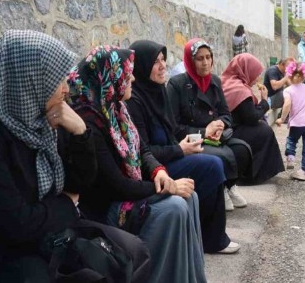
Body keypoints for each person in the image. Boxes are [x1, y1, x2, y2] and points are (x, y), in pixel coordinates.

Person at [0, 30, 151, 283]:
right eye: (56, 80)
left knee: (136, 252)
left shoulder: (46, 119)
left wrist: (80, 131)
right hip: (6, 251)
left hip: (54, 229)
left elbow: (81, 183)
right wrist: (67, 205)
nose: (66, 89)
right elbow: (16, 224)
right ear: (29, 80)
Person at [68, 45, 207, 283]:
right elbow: (116, 187)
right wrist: (164, 187)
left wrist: (158, 171)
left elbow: (141, 148)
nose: (131, 77)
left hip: (127, 193)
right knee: (173, 207)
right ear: (110, 77)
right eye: (125, 72)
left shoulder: (116, 108)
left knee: (189, 197)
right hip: (105, 208)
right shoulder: (89, 122)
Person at [127, 39, 240, 254]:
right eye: (155, 62)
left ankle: (208, 236)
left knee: (227, 154)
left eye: (163, 60)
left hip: (171, 154)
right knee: (213, 164)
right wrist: (182, 147)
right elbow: (143, 152)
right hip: (153, 170)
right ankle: (212, 239)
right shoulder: (136, 101)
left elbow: (172, 131)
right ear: (140, 66)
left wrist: (211, 129)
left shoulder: (158, 92)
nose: (162, 66)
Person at [167, 38, 252, 212]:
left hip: (216, 138)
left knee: (243, 150)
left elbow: (226, 113)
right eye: (199, 58)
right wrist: (204, 131)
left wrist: (220, 124)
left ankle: (229, 185)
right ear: (190, 61)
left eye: (208, 57)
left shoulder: (214, 81)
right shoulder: (177, 85)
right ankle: (219, 188)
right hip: (192, 141)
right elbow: (174, 127)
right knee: (218, 157)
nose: (206, 63)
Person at [221, 53, 285, 184]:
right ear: (245, 70)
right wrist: (264, 102)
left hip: (230, 127)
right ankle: (254, 174)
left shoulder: (228, 81)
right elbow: (252, 117)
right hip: (231, 131)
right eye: (255, 73)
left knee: (263, 127)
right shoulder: (239, 89)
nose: (257, 78)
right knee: (264, 131)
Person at [276, 61, 305, 181]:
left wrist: (282, 119)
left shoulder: (288, 90)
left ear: (289, 75)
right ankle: (304, 171)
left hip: (297, 123)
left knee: (292, 140)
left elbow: (287, 104)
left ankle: (290, 158)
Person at [263, 57, 294, 125]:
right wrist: (286, 78)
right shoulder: (273, 70)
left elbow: (291, 86)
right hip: (270, 99)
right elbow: (274, 86)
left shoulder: (283, 72)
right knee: (288, 94)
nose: (290, 69)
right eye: (288, 67)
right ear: (282, 65)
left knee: (292, 92)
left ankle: (286, 114)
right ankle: (283, 116)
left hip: (278, 97)